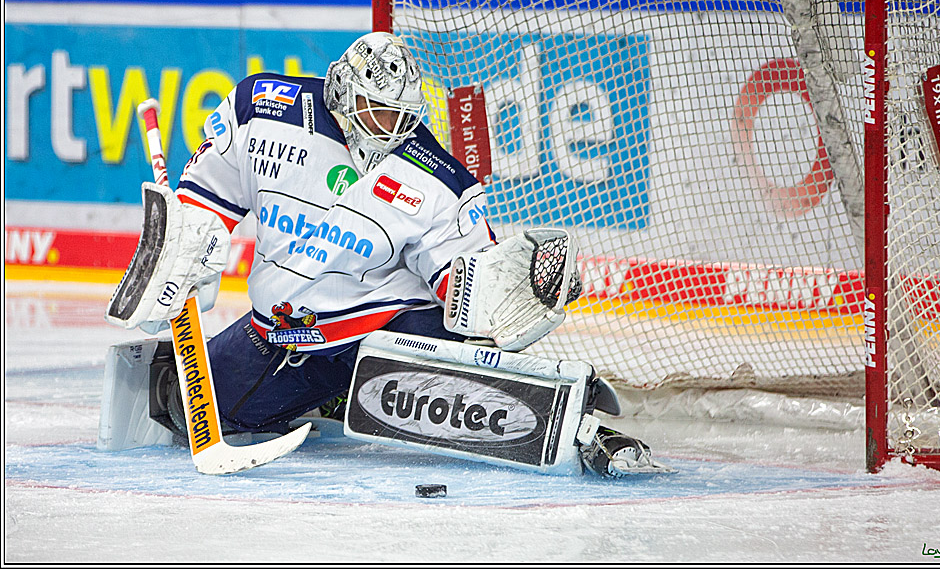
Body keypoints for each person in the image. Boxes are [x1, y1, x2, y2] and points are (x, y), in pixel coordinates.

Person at [106, 33, 664, 477]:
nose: (391, 128)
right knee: (189, 407)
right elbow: (206, 197)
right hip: (285, 333)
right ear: (342, 93)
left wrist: (513, 289)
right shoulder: (262, 111)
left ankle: (581, 426)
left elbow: (463, 283)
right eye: (376, 111)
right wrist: (186, 245)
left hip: (386, 330)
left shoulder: (435, 176)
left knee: (465, 372)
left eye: (402, 115)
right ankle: (327, 396)